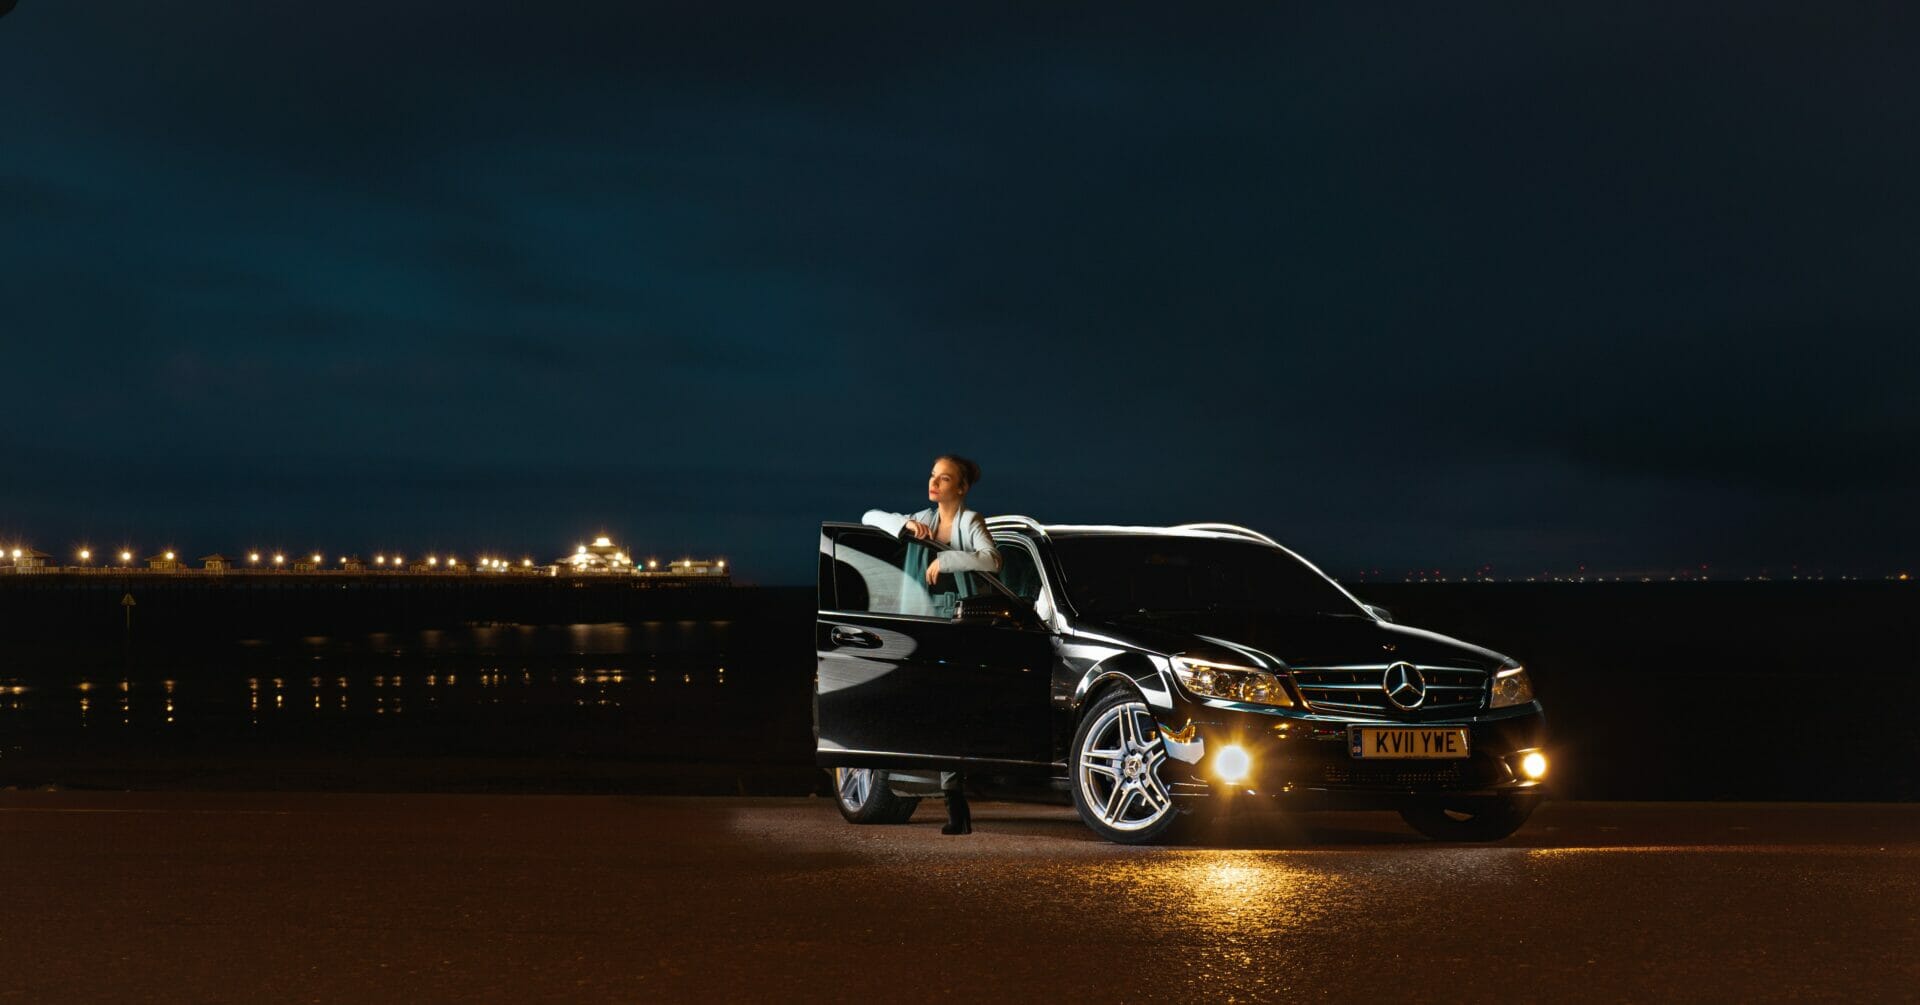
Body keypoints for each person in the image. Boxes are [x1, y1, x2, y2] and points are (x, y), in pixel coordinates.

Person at [862, 453, 1002, 835]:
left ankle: (955, 804)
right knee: (923, 706)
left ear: (961, 487)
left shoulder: (969, 521)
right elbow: (868, 517)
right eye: (932, 476)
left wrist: (948, 561)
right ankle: (909, 784)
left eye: (944, 478)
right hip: (920, 620)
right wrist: (903, 523)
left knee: (951, 710)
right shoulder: (920, 519)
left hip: (958, 623)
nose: (935, 483)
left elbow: (992, 560)